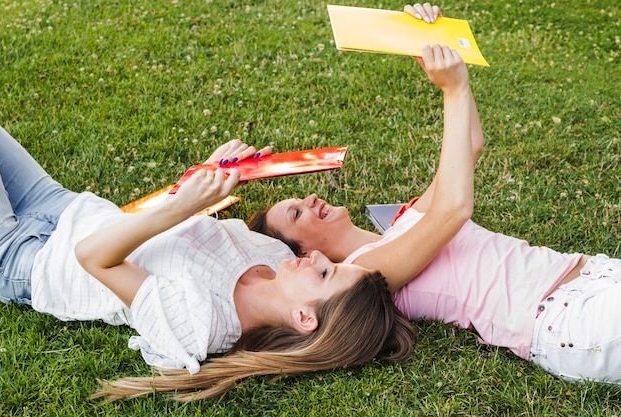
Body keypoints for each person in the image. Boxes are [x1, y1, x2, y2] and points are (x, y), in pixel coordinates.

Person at [248, 4, 621, 387]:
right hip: (568, 318)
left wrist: (426, 49)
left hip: (594, 276)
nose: (309, 200)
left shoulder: (402, 223)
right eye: (296, 215)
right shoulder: (367, 273)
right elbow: (454, 208)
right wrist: (453, 87)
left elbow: (470, 146)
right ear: (303, 253)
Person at [0, 122, 416, 402]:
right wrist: (210, 172)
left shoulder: (201, 324)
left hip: (27, 257)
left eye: (327, 272)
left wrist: (184, 205)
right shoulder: (273, 255)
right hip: (69, 207)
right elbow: (171, 233)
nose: (319, 256)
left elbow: (93, 259)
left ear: (305, 318)